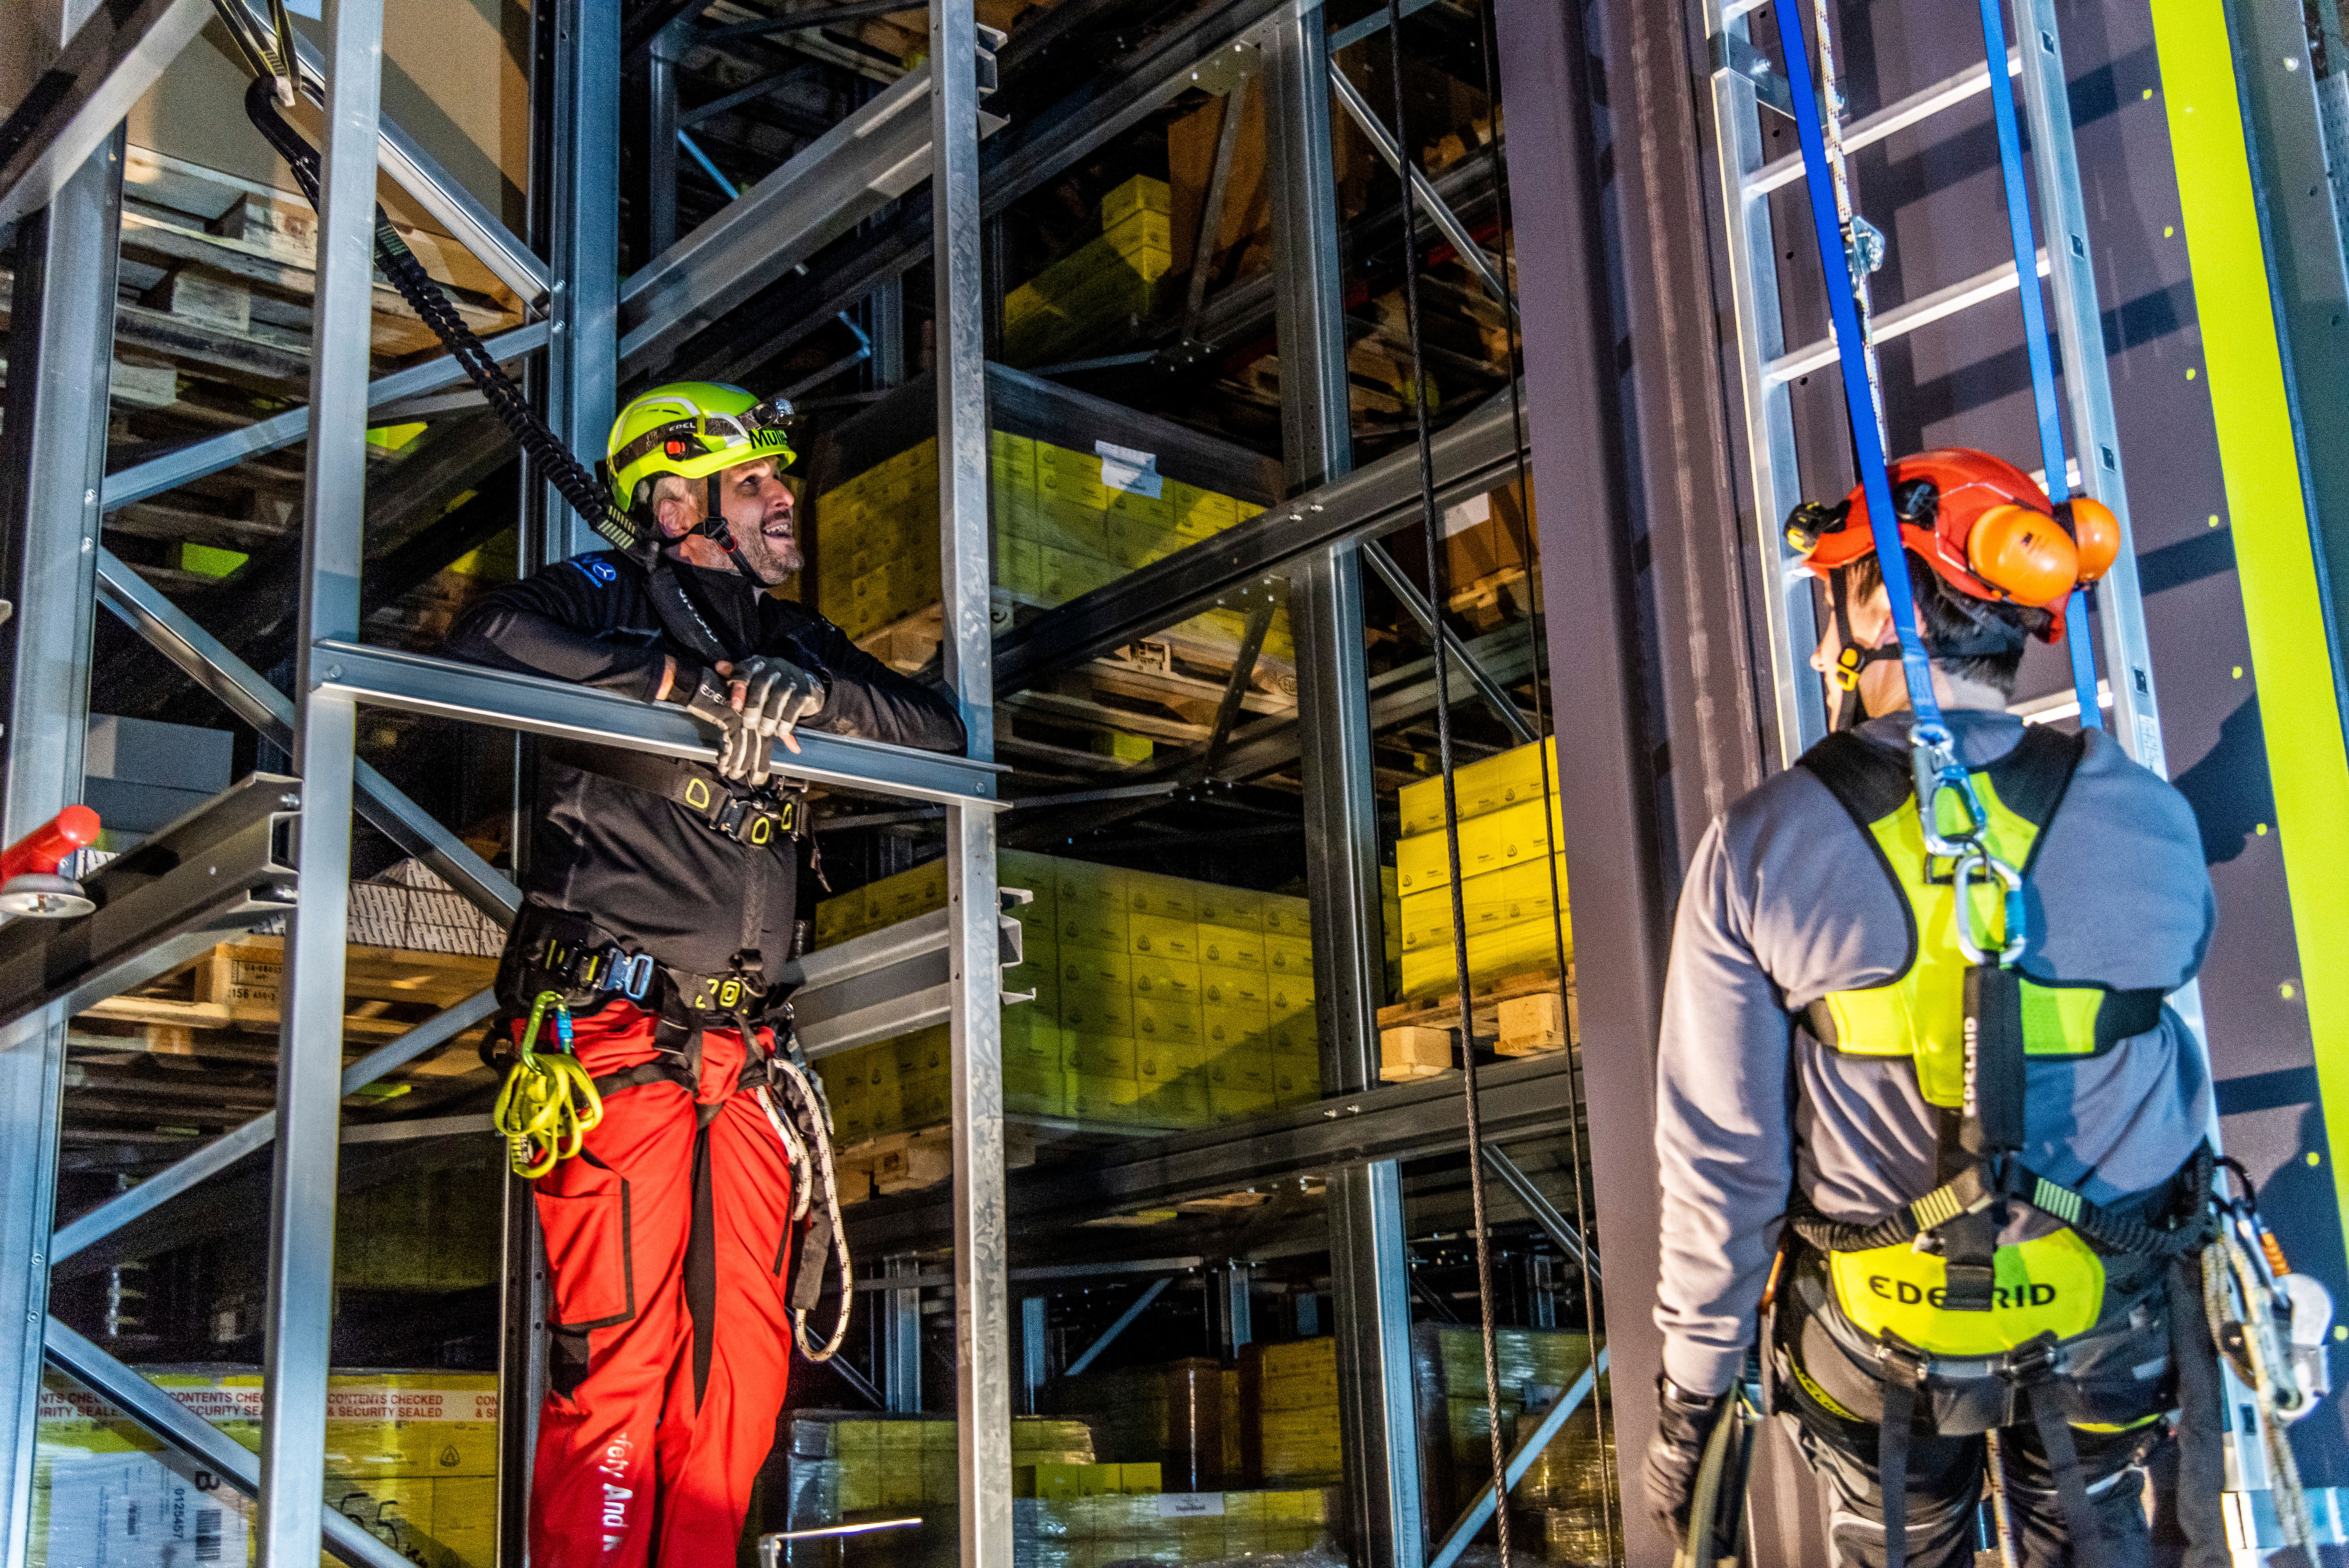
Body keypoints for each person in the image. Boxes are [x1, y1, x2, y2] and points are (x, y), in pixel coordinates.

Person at [1642, 449, 2219, 1567]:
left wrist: (1695, 1398)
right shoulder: (2150, 819)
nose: (1822, 647)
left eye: (1835, 598)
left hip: (1880, 1341)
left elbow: (1724, 1165)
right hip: (2105, 1321)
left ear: (1878, 599)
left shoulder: (1761, 845)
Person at [445, 382, 965, 1568]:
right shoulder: (604, 595)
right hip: (614, 1041)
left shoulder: (796, 641)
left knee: (743, 1360)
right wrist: (676, 689)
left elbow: (940, 737)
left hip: (747, 1056)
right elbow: (483, 640)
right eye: (758, 484)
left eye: (783, 479)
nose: (789, 503)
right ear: (676, 502)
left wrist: (813, 694)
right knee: (622, 1356)